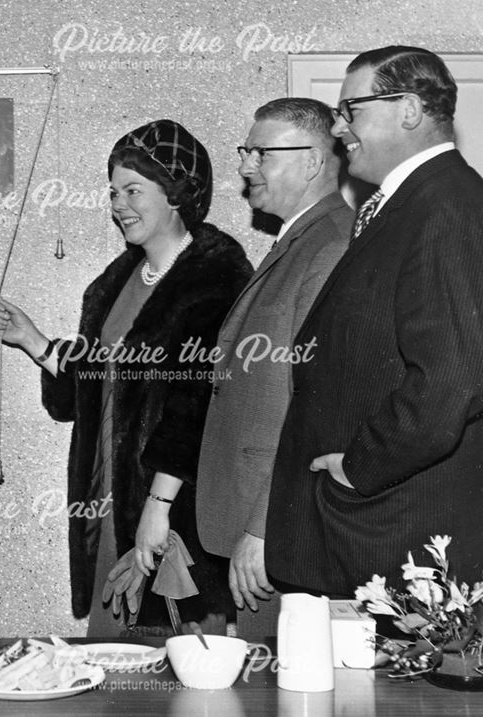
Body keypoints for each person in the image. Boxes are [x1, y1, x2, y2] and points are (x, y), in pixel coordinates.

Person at [0, 120, 252, 636]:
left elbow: (195, 406)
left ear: (177, 193)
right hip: (110, 498)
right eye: (113, 191)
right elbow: (93, 390)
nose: (118, 204)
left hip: (172, 503)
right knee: (113, 659)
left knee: (173, 662)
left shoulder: (215, 280)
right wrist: (37, 344)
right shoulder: (116, 282)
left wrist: (159, 507)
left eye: (134, 190)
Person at [266, 46, 483, 597]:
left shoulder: (448, 206)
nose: (339, 129)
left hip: (391, 525)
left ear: (408, 109)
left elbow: (451, 381)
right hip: (368, 526)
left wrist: (358, 470)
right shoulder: (408, 202)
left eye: (350, 110)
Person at [195, 98, 352, 636]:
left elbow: (319, 403)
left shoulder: (331, 245)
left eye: (261, 153)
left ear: (312, 161)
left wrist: (266, 528)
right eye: (246, 152)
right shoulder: (304, 238)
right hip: (262, 518)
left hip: (281, 528)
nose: (244, 166)